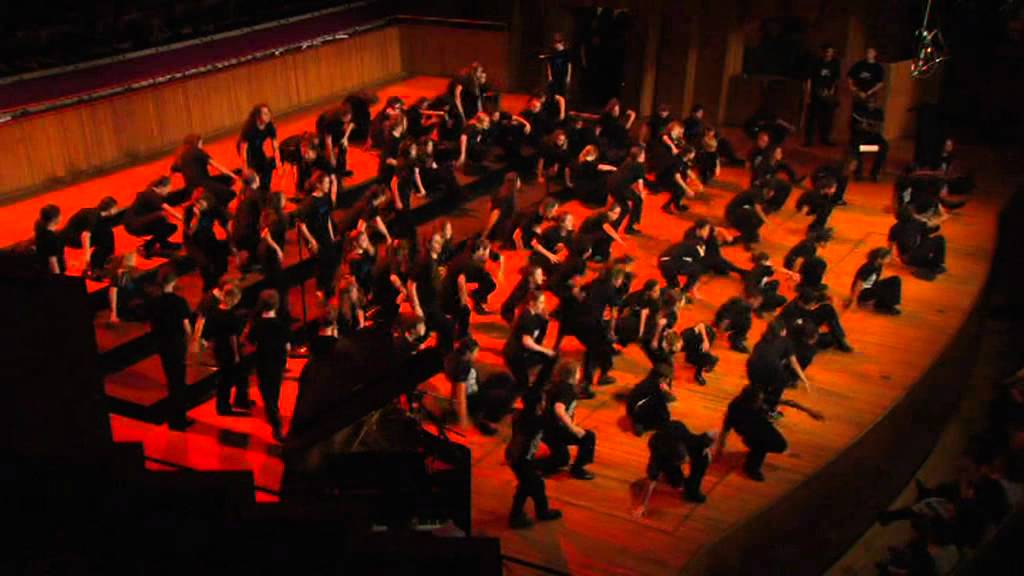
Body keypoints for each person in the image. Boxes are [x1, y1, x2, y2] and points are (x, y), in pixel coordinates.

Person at [716, 385, 824, 481]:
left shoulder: (759, 399)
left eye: (760, 399)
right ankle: (751, 468)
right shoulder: (735, 407)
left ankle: (755, 445)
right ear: (750, 401)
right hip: (749, 430)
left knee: (780, 444)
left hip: (761, 423)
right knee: (764, 445)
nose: (760, 401)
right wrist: (720, 448)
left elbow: (789, 402)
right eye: (758, 401)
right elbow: (726, 429)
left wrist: (809, 411)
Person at [506, 392, 563, 529]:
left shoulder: (521, 415)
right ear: (538, 404)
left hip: (514, 456)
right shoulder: (538, 421)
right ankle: (518, 516)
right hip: (522, 460)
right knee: (530, 486)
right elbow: (554, 426)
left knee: (531, 485)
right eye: (543, 401)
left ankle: (538, 511)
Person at [146, 268, 194, 430]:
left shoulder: (154, 302)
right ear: (174, 282)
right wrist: (193, 343)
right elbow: (186, 327)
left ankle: (174, 415)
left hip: (162, 344)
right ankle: (178, 419)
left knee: (171, 380)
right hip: (177, 344)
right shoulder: (179, 302)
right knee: (179, 382)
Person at [635, 420, 715, 515]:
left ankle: (692, 490)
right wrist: (642, 505)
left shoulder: (691, 440)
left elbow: (712, 434)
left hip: (675, 434)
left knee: (704, 460)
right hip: (661, 447)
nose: (685, 462)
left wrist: (709, 451)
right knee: (677, 484)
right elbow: (650, 482)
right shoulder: (659, 457)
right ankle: (671, 475)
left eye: (685, 458)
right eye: (682, 461)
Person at [445, 337, 517, 436]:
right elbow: (460, 396)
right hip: (472, 399)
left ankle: (499, 408)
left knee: (504, 378)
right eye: (476, 352)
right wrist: (464, 420)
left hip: (476, 390)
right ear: (469, 353)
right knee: (505, 396)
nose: (477, 355)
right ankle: (488, 420)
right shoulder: (462, 368)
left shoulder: (459, 359)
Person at [538, 361, 597, 480]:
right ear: (573, 374)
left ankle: (531, 465)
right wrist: (573, 428)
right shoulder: (567, 389)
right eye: (578, 372)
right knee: (588, 437)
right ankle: (578, 469)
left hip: (546, 429)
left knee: (561, 459)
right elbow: (559, 409)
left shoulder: (555, 385)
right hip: (556, 430)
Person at [247, 290, 290, 441]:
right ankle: (274, 411)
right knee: (275, 388)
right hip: (278, 362)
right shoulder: (281, 325)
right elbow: (287, 345)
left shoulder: (257, 325)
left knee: (266, 391)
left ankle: (275, 422)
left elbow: (251, 342)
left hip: (263, 362)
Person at [205, 284, 249, 415]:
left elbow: (208, 333)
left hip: (219, 348)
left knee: (225, 377)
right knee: (228, 379)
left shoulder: (214, 312)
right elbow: (232, 337)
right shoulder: (230, 316)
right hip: (229, 350)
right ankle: (224, 406)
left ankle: (236, 400)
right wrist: (236, 354)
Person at [503, 290, 558, 396]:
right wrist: (546, 351)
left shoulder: (535, 316)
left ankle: (539, 386)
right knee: (522, 385)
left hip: (523, 354)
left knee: (551, 358)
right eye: (541, 303)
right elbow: (527, 342)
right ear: (532, 303)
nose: (543, 306)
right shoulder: (526, 317)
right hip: (515, 356)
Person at [441, 237, 499, 337]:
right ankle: (461, 336)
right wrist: (463, 302)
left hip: (447, 290)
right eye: (487, 252)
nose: (488, 255)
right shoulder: (469, 263)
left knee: (488, 281)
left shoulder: (468, 257)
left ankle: (454, 328)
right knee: (465, 311)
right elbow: (460, 280)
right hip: (448, 295)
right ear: (480, 250)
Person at [410, 231, 456, 352]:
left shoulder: (434, 258)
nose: (439, 244)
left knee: (427, 331)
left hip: (435, 302)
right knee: (447, 327)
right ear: (428, 244)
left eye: (440, 241)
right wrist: (416, 307)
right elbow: (411, 284)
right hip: (427, 305)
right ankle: (444, 355)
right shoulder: (423, 261)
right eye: (436, 242)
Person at [297, 170, 338, 300]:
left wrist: (331, 235)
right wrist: (312, 241)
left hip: (325, 234)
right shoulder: (309, 203)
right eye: (326, 183)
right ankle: (320, 288)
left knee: (330, 260)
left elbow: (327, 218)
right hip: (315, 236)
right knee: (321, 263)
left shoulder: (326, 198)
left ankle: (328, 285)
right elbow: (301, 224)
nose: (328, 186)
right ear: (318, 185)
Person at [123, 176, 183, 258]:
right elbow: (168, 209)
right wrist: (183, 218)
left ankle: (162, 244)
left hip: (137, 222)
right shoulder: (151, 195)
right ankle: (147, 247)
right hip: (135, 224)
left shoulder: (151, 193)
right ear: (161, 187)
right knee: (163, 219)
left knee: (168, 226)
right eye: (168, 189)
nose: (168, 191)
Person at [172, 134, 239, 207]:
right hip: (203, 184)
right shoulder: (196, 151)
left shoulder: (182, 155)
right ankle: (218, 205)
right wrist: (233, 176)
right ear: (196, 143)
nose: (201, 146)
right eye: (201, 143)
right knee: (231, 194)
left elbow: (173, 170)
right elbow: (216, 165)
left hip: (191, 187)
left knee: (225, 179)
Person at [779, 288, 854, 352]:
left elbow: (823, 297)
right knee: (828, 339)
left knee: (828, 308)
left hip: (807, 319)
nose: (812, 306)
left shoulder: (808, 299)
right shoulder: (790, 311)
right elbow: (794, 331)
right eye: (810, 305)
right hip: (799, 333)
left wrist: (830, 299)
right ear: (800, 302)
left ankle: (841, 340)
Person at [183, 190, 230, 292]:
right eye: (196, 202)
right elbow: (190, 232)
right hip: (193, 241)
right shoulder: (189, 210)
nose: (197, 205)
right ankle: (208, 286)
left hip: (207, 236)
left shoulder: (214, 208)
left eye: (200, 203)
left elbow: (226, 222)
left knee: (221, 259)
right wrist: (196, 217)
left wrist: (230, 235)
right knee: (204, 263)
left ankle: (217, 281)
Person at [61, 196, 118, 277]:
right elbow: (85, 236)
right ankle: (96, 268)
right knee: (106, 235)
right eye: (115, 208)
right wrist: (86, 257)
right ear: (111, 209)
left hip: (72, 236)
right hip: (72, 239)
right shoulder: (93, 217)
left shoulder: (95, 213)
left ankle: (104, 261)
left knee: (106, 232)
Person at [889, 207, 947, 279]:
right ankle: (938, 265)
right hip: (914, 256)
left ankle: (932, 266)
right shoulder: (916, 223)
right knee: (939, 239)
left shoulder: (894, 227)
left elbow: (890, 244)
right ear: (912, 215)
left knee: (926, 238)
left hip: (905, 259)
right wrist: (942, 218)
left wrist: (891, 258)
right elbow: (933, 227)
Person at [848, 247, 902, 315]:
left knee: (895, 280)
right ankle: (891, 305)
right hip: (863, 293)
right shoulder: (868, 268)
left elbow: (878, 280)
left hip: (872, 287)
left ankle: (889, 304)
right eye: (887, 258)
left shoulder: (879, 265)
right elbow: (858, 284)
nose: (889, 260)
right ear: (879, 259)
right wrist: (854, 301)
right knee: (890, 285)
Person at [804, 44, 840, 147]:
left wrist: (830, 93)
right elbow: (810, 79)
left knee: (827, 117)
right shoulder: (816, 62)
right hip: (816, 92)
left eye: (831, 52)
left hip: (827, 94)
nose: (829, 54)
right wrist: (808, 93)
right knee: (812, 117)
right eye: (827, 51)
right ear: (824, 52)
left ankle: (825, 138)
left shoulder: (835, 63)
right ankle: (809, 140)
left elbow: (835, 79)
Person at [237, 103, 280, 191]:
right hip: (246, 149)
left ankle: (265, 189)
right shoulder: (250, 127)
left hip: (257, 146)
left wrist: (278, 162)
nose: (268, 115)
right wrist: (245, 168)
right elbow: (243, 150)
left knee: (267, 166)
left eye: (268, 113)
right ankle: (249, 191)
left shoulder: (270, 125)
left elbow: (275, 145)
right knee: (252, 171)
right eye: (265, 113)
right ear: (258, 116)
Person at [607, 146, 646, 234]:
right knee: (638, 201)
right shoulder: (639, 166)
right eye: (643, 154)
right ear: (640, 156)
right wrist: (641, 194)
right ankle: (629, 227)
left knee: (625, 207)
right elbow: (640, 183)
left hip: (612, 184)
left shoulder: (628, 161)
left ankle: (615, 225)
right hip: (620, 187)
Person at [658, 228, 706, 298]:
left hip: (662, 262)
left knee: (674, 286)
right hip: (670, 263)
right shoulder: (696, 245)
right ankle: (685, 291)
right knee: (698, 269)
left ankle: (670, 290)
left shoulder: (682, 244)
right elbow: (700, 259)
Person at [626, 364, 673, 435]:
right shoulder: (652, 388)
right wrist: (665, 393)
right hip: (638, 412)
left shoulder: (650, 382)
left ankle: (640, 422)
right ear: (661, 378)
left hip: (636, 409)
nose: (668, 380)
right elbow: (661, 407)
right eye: (667, 378)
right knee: (662, 413)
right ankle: (640, 424)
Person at [231, 171, 264, 273]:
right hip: (248, 232)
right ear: (255, 180)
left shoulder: (243, 192)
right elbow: (262, 214)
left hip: (238, 229)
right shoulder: (255, 194)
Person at [784, 227, 833, 292]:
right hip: (792, 264)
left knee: (819, 263)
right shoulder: (809, 247)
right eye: (827, 242)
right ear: (821, 241)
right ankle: (807, 286)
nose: (828, 244)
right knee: (818, 266)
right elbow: (799, 261)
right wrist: (793, 276)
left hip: (794, 262)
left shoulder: (812, 243)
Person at [615, 279, 661, 346]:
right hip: (630, 316)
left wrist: (641, 333)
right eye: (655, 291)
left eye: (659, 290)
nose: (658, 293)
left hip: (639, 319)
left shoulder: (657, 301)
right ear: (648, 292)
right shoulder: (635, 297)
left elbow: (645, 313)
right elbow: (624, 307)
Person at [847, 47, 886, 121]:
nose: (869, 54)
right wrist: (853, 87)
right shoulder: (859, 64)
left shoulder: (878, 67)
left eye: (871, 52)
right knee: (856, 116)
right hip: (858, 94)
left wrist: (868, 93)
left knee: (867, 116)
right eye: (867, 52)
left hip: (870, 96)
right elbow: (850, 76)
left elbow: (880, 84)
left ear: (875, 54)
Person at [681, 321, 719, 386]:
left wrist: (705, 340)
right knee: (690, 360)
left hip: (703, 340)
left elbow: (701, 325)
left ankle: (699, 374)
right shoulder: (686, 337)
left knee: (701, 355)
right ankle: (709, 360)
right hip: (692, 346)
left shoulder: (688, 334)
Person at [32, 204, 65, 275]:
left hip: (42, 270)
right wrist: (58, 279)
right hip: (51, 273)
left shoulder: (41, 233)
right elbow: (52, 261)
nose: (61, 217)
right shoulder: (52, 238)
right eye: (60, 215)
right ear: (54, 219)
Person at [546, 33, 572, 98]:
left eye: (557, 43)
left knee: (562, 93)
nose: (556, 45)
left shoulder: (566, 52)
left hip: (563, 76)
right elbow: (549, 64)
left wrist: (568, 77)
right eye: (555, 43)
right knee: (553, 92)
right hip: (554, 76)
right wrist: (549, 76)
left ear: (562, 43)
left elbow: (569, 65)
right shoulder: (553, 52)